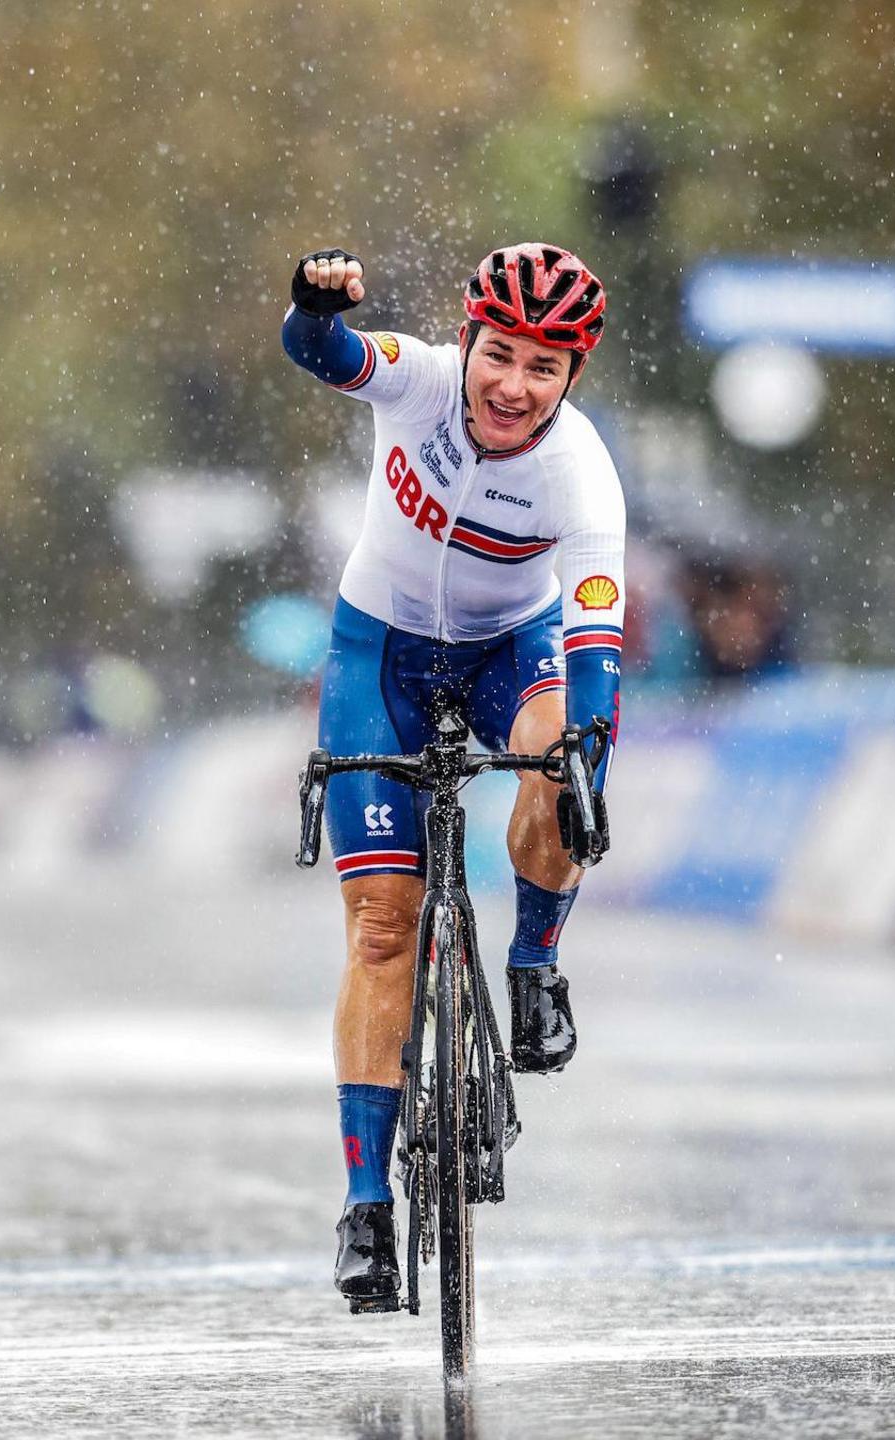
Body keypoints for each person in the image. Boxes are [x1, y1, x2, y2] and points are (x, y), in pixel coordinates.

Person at [280, 243, 625, 1311]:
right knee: (384, 926)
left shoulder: (581, 477)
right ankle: (365, 1211)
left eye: (543, 368)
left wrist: (585, 755)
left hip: (503, 657)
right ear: (466, 339)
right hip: (374, 655)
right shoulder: (418, 381)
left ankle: (533, 964)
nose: (512, 387)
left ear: (572, 380)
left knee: (565, 757)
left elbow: (597, 644)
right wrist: (310, 302)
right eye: (500, 355)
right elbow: (319, 351)